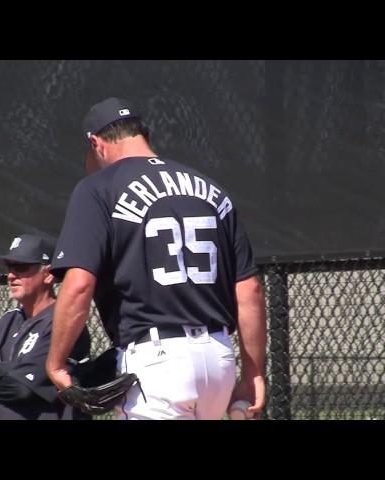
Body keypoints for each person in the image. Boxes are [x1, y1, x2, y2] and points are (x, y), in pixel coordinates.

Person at [46, 97, 267, 420]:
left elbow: (79, 286)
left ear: (96, 143)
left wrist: (55, 362)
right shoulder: (210, 188)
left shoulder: (98, 188)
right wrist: (253, 373)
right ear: (142, 134)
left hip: (157, 363)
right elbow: (249, 290)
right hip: (219, 358)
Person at [0, 233, 92, 420]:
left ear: (48, 274)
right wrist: (10, 369)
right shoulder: (7, 321)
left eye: (21, 267)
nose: (11, 275)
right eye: (9, 267)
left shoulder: (63, 323)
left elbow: (21, 389)